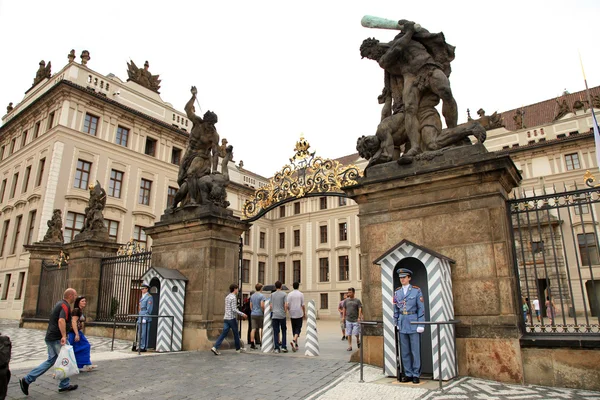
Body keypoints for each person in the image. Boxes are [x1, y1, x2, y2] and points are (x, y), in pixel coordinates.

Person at [360, 19, 458, 158]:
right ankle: (415, 147)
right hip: (410, 76)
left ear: (376, 45)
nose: (372, 57)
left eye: (370, 53)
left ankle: (453, 130)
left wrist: (409, 26)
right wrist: (409, 31)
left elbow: (423, 33)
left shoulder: (401, 38)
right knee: (409, 108)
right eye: (369, 56)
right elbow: (398, 49)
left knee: (446, 93)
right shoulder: (385, 60)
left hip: (428, 66)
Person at [20, 288, 79, 395]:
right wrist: (64, 336)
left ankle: (29, 380)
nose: (76, 297)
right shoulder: (65, 306)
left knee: (52, 360)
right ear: (70, 296)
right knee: (65, 358)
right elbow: (61, 320)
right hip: (57, 338)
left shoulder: (59, 304)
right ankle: (28, 379)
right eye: (75, 295)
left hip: (51, 337)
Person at [170, 86, 220, 209]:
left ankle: (192, 199)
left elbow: (215, 153)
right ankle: (186, 199)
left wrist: (214, 170)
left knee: (191, 173)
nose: (210, 126)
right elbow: (187, 109)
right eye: (209, 123)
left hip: (202, 157)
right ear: (205, 121)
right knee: (181, 177)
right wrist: (193, 96)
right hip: (189, 154)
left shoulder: (214, 135)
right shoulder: (197, 122)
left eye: (212, 124)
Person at [393, 268, 425, 384]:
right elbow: (395, 308)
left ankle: (416, 374)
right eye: (400, 278)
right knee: (405, 351)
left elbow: (421, 308)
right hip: (402, 322)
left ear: (409, 278)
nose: (402, 279)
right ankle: (408, 373)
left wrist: (421, 324)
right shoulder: (397, 292)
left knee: (415, 350)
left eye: (404, 277)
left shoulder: (416, 291)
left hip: (413, 322)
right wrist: (395, 322)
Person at [211, 284, 247, 355]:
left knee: (224, 334)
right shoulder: (233, 297)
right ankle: (238, 349)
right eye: (237, 289)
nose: (237, 290)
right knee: (236, 334)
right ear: (234, 289)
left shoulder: (227, 297)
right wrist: (242, 314)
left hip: (226, 318)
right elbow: (234, 309)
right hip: (231, 318)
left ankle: (215, 347)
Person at [67, 296, 96, 372]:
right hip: (73, 332)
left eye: (85, 301)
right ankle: (76, 364)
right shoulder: (76, 310)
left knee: (81, 347)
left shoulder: (80, 310)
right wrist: (77, 334)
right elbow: (73, 322)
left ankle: (83, 364)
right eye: (83, 301)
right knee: (78, 347)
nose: (84, 302)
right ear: (78, 302)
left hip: (77, 332)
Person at [270, 281, 288, 353]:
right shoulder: (284, 294)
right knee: (283, 330)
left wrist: (273, 310)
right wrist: (285, 312)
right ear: (281, 286)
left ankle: (276, 347)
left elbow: (270, 305)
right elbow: (286, 305)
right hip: (282, 315)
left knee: (276, 331)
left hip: (274, 314)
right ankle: (283, 346)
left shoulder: (272, 295)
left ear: (275, 286)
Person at [343, 287, 363, 352]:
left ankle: (358, 339)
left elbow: (360, 308)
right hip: (348, 319)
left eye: (350, 292)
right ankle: (350, 346)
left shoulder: (357, 300)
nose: (349, 293)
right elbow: (344, 309)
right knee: (349, 333)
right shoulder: (346, 301)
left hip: (355, 320)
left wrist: (359, 317)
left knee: (356, 332)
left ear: (354, 293)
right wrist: (343, 317)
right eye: (348, 292)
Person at [287, 282, 305, 352]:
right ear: (298, 286)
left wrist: (289, 310)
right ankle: (294, 340)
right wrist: (304, 313)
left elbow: (287, 304)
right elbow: (303, 305)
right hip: (299, 313)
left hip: (292, 313)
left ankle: (296, 344)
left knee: (294, 328)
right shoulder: (301, 294)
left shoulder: (289, 294)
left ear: (293, 286)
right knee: (298, 328)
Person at [249, 283, 266, 350]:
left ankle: (252, 343)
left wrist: (253, 310)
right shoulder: (262, 296)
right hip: (260, 314)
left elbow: (251, 305)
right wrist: (263, 311)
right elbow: (262, 305)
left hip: (253, 313)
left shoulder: (252, 296)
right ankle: (262, 342)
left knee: (253, 329)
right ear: (261, 288)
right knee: (262, 328)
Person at [137, 283, 153, 352]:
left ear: (147, 289)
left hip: (145, 316)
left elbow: (149, 309)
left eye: (143, 289)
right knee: (140, 333)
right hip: (141, 315)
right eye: (141, 289)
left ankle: (144, 347)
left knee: (144, 333)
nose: (142, 290)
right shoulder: (143, 297)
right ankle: (140, 345)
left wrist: (145, 318)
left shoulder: (149, 297)